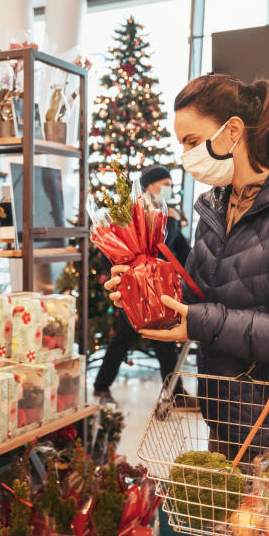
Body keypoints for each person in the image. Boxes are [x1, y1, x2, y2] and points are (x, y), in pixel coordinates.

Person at [105, 74, 269, 536]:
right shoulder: (216, 211)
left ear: (234, 132)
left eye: (193, 141)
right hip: (228, 416)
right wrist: (141, 290)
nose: (185, 155)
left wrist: (203, 321)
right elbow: (205, 298)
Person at [92, 164, 194, 406]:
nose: (170, 189)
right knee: (122, 339)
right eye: (165, 184)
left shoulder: (166, 215)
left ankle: (176, 393)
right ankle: (101, 386)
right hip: (136, 289)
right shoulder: (137, 214)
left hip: (160, 289)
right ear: (149, 185)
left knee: (164, 342)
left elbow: (182, 253)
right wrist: (171, 222)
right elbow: (157, 244)